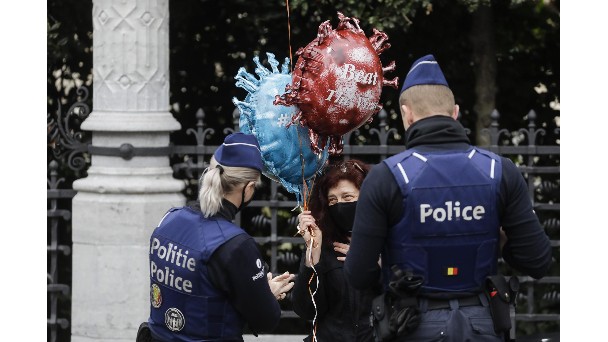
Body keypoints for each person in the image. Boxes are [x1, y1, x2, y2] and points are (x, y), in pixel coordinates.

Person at [343, 55, 553, 341]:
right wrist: (501, 243)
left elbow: (358, 274)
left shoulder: (387, 177)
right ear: (455, 112)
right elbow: (538, 261)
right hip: (483, 323)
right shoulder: (499, 171)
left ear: (407, 114)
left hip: (412, 325)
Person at [139, 132, 296, 342]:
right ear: (248, 188)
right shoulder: (235, 245)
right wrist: (266, 294)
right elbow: (266, 319)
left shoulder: (169, 219)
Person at [291, 159, 382, 342]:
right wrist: (313, 252)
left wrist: (374, 263)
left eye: (347, 198)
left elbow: (406, 297)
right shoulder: (325, 246)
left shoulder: (387, 241)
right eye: (333, 200)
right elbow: (306, 309)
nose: (339, 205)